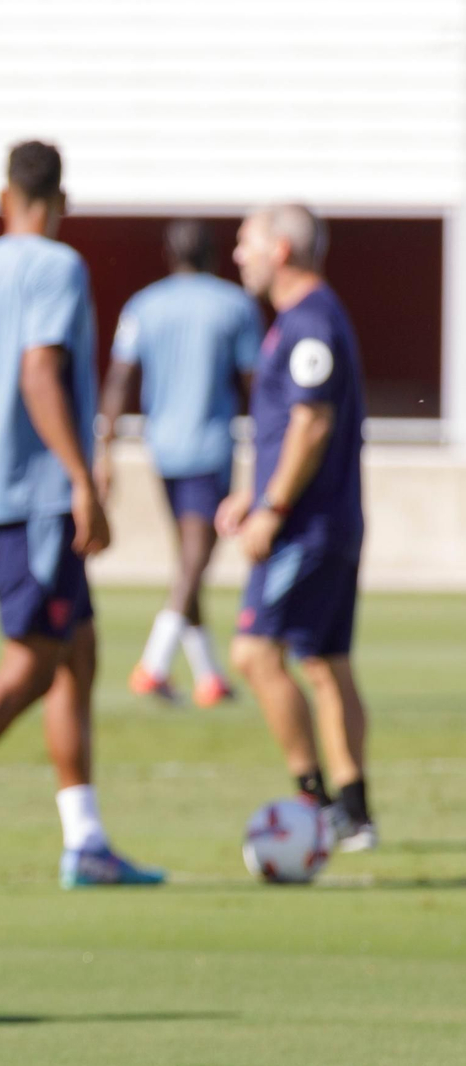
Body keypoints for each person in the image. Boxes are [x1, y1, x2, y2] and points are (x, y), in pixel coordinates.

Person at [0, 140, 165, 890]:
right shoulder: (59, 266)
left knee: (78, 651)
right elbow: (39, 371)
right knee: (32, 661)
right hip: (41, 493)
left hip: (10, 486)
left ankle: (85, 839)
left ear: (6, 195)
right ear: (60, 202)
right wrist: (82, 478)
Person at [219, 204, 375, 850]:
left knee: (254, 654)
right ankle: (354, 813)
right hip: (327, 522)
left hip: (305, 528)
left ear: (281, 250)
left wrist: (272, 509)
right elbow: (287, 426)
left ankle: (312, 804)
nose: (237, 255)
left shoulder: (309, 321)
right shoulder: (301, 320)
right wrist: (247, 494)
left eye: (246, 242)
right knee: (324, 661)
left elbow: (311, 424)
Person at [99, 219, 263, 706]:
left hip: (163, 448)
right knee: (196, 558)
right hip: (210, 447)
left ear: (169, 254)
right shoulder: (236, 306)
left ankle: (209, 676)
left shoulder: (144, 305)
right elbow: (258, 384)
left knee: (190, 559)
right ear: (214, 254)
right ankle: (154, 663)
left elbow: (117, 380)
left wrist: (104, 447)